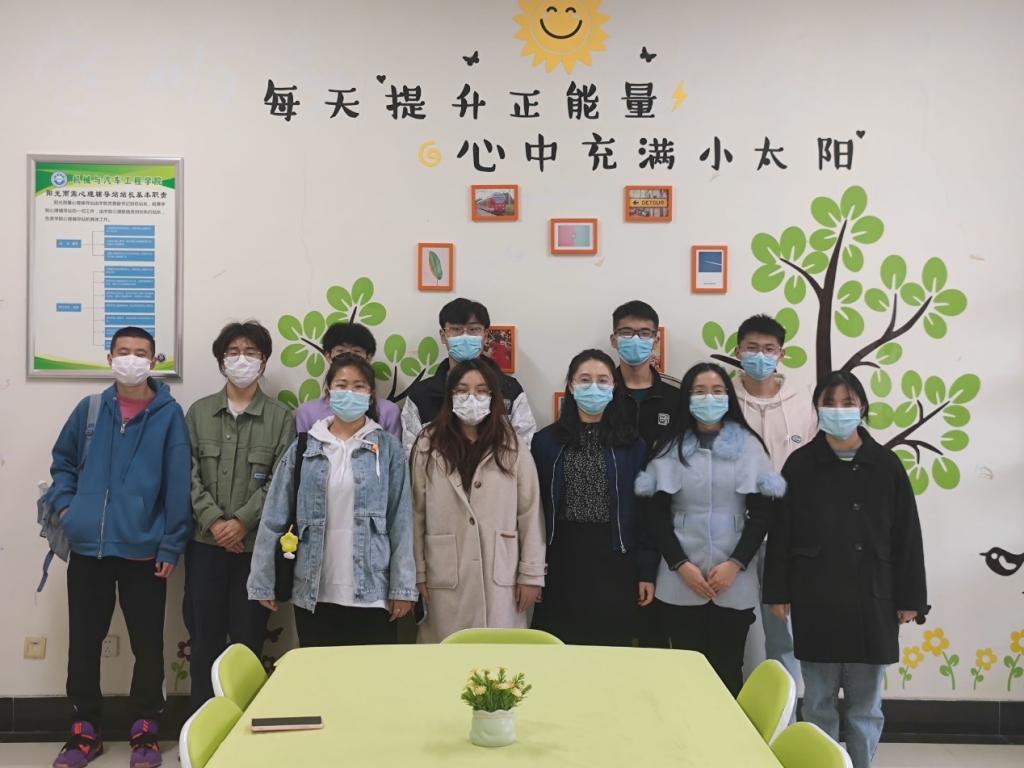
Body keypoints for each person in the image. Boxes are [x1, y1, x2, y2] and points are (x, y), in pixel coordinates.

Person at [764, 371, 927, 768]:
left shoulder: (885, 465)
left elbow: (907, 535)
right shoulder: (800, 465)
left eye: (847, 403)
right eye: (830, 403)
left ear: (862, 407)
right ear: (817, 409)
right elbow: (781, 532)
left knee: (865, 707)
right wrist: (777, 591)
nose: (838, 411)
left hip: (873, 598)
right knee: (818, 702)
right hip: (816, 596)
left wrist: (911, 598)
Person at [47, 327, 192, 768]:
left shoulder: (169, 415)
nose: (132, 359)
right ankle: (84, 730)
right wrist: (68, 508)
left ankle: (145, 729)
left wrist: (171, 544)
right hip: (88, 549)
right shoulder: (90, 409)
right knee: (83, 643)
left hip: (145, 552)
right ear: (110, 359)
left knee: (147, 644)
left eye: (141, 353)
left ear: (154, 360)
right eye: (124, 352)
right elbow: (62, 463)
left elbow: (178, 483)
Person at [635, 363, 785, 696]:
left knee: (728, 669)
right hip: (680, 573)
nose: (709, 398)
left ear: (728, 397)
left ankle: (727, 731)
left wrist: (735, 564)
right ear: (686, 398)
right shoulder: (668, 446)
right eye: (699, 391)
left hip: (734, 573)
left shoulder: (749, 446)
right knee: (685, 673)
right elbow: (655, 514)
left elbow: (763, 515)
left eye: (717, 391)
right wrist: (680, 565)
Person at [247, 355, 417, 646]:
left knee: (371, 673)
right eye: (342, 385)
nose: (350, 392)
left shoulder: (387, 449)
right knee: (318, 671)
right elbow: (274, 516)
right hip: (314, 589)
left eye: (359, 386)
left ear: (370, 395)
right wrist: (262, 581)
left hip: (372, 591)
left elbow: (401, 521)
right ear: (328, 391)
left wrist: (402, 587)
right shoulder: (304, 447)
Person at [183, 321, 295, 714]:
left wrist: (242, 523)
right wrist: (216, 522)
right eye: (233, 352)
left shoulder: (281, 418)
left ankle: (244, 727)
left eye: (251, 352)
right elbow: (186, 474)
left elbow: (281, 481)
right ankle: (201, 725)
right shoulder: (198, 413)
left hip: (255, 551)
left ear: (264, 362)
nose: (241, 360)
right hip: (205, 546)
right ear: (221, 361)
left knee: (248, 643)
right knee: (204, 640)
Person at [411, 359, 546, 643]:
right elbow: (416, 513)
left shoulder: (512, 445)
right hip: (445, 572)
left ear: (493, 397)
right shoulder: (427, 443)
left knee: (499, 658)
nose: (471, 397)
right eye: (462, 390)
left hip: (501, 573)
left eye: (481, 390)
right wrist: (418, 572)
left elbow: (530, 513)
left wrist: (531, 575)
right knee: (447, 654)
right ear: (450, 396)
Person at [531, 349, 655, 646]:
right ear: (571, 386)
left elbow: (646, 512)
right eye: (585, 380)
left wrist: (647, 571)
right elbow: (534, 510)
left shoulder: (632, 444)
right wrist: (533, 570)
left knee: (611, 647)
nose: (594, 387)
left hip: (616, 556)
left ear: (614, 386)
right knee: (561, 646)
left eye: (602, 380)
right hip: (562, 556)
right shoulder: (546, 441)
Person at [732, 314, 817, 687]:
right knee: (730, 624)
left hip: (787, 533)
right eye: (752, 348)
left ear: (781, 354)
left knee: (784, 630)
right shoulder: (722, 399)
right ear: (738, 351)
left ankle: (786, 713)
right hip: (734, 529)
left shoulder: (804, 402)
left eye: (769, 349)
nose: (760, 356)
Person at [609, 300, 680, 648]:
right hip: (611, 530)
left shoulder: (676, 397)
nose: (635, 340)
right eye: (627, 332)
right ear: (613, 339)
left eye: (644, 333)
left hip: (665, 529)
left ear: (656, 340)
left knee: (657, 643)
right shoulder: (599, 391)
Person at [401, 298, 536, 457]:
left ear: (486, 335)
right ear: (443, 336)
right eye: (456, 329)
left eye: (473, 329)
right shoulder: (420, 396)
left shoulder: (510, 389)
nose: (465, 336)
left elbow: (523, 450)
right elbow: (412, 455)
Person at [293, 322, 401, 438]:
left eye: (356, 352)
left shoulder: (389, 412)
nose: (349, 358)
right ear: (328, 355)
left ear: (368, 357)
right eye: (340, 352)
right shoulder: (307, 413)